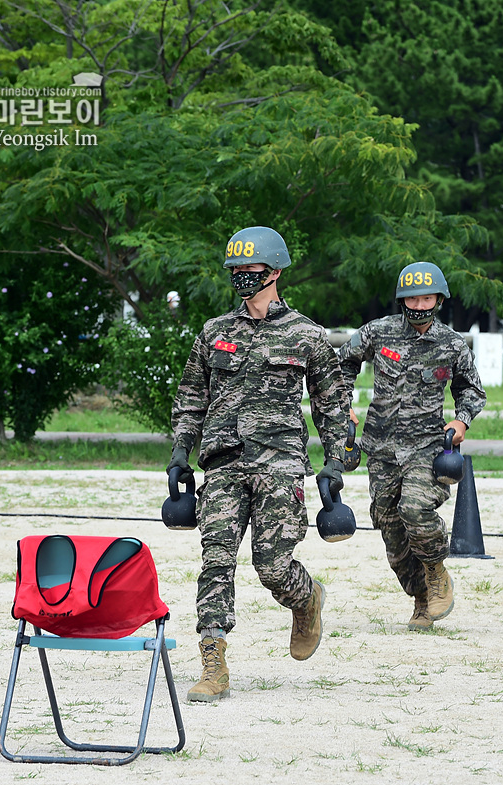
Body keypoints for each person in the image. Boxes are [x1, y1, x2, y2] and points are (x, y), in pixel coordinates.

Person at [168, 226, 352, 702]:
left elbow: (331, 405)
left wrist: (334, 464)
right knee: (216, 562)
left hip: (280, 464)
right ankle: (214, 662)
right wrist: (179, 453)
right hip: (223, 462)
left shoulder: (307, 335)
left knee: (271, 566)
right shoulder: (214, 333)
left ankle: (306, 598)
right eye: (236, 272)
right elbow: (191, 398)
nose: (242, 280)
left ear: (274, 272)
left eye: (251, 272)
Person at [337, 262, 486, 631]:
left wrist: (461, 419)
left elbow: (472, 389)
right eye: (412, 298)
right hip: (382, 448)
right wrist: (344, 405)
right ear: (402, 299)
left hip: (427, 448)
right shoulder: (379, 332)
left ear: (438, 299)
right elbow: (341, 364)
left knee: (415, 509)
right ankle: (422, 598)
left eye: (427, 298)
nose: (419, 305)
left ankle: (436, 571)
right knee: (390, 527)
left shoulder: (451, 344)